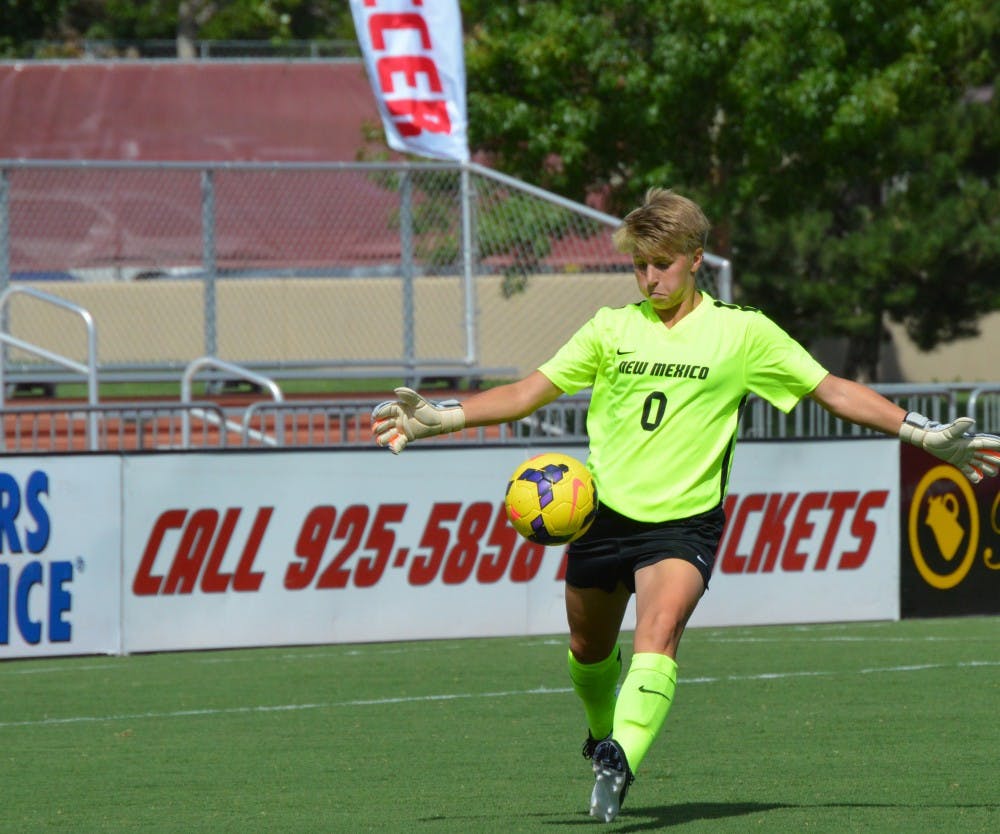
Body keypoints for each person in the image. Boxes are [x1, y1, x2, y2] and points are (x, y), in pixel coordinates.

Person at [370, 188, 1000, 823]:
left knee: (658, 633)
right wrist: (439, 418)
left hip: (682, 523)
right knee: (589, 650)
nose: (650, 277)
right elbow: (529, 392)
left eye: (662, 264)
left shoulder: (742, 333)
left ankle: (622, 755)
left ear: (696, 258)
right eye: (640, 265)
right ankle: (600, 731)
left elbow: (831, 390)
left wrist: (921, 433)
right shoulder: (611, 328)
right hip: (600, 516)